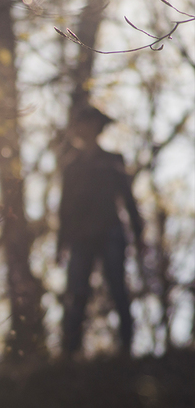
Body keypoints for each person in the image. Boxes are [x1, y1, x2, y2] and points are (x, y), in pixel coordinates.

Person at [56, 105, 144, 359]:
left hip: (110, 233)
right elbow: (64, 210)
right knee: (77, 293)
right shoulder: (71, 168)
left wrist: (138, 232)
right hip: (81, 238)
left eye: (88, 123)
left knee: (118, 288)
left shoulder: (113, 161)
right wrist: (61, 244)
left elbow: (128, 199)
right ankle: (70, 355)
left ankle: (126, 350)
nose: (83, 129)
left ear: (97, 127)